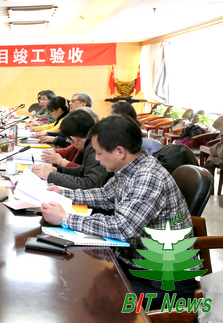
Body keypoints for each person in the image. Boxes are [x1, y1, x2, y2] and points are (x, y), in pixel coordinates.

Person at [40, 115, 199, 308]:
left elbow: (122, 228)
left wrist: (65, 218)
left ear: (120, 152)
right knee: (75, 280)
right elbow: (106, 195)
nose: (97, 159)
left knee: (80, 293)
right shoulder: (131, 168)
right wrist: (63, 193)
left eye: (99, 153)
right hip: (136, 266)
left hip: (163, 281)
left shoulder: (147, 176)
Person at [32, 109, 112, 190]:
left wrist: (51, 175)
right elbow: (82, 171)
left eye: (69, 140)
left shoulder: (94, 148)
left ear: (74, 139)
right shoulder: (90, 143)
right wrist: (57, 170)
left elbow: (90, 184)